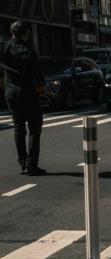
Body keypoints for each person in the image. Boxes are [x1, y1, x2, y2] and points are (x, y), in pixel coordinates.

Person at [1, 21, 46, 176]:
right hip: (28, 93)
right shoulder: (29, 52)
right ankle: (31, 164)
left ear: (12, 33)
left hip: (11, 93)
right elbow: (39, 77)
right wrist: (41, 89)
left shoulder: (4, 48)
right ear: (26, 33)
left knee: (19, 128)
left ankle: (22, 164)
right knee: (34, 128)